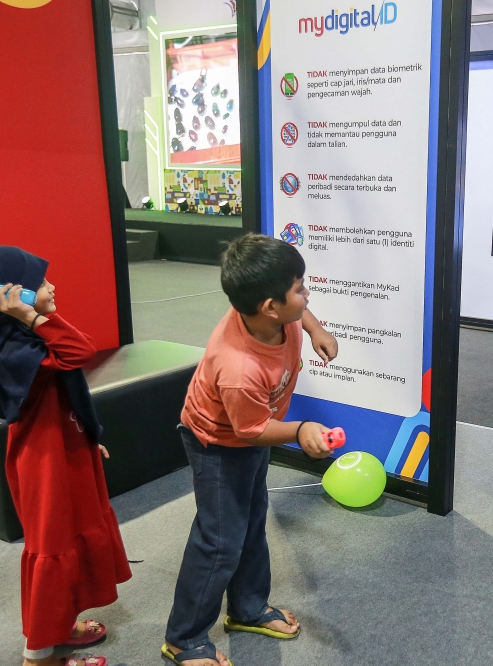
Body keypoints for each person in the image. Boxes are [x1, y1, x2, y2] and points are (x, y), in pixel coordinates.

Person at [162, 234, 340, 666]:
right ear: (269, 307)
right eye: (300, 289)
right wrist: (300, 429)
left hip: (248, 432)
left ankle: (246, 608)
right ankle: (184, 638)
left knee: (252, 519)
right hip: (218, 443)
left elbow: (297, 310)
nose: (306, 293)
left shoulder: (275, 312)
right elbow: (250, 429)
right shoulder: (238, 366)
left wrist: (315, 327)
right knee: (219, 539)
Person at [0, 247, 131, 666]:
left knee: (75, 536)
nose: (51, 287)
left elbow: (71, 381)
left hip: (67, 448)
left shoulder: (28, 333)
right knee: (52, 548)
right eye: (40, 283)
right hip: (44, 461)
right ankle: (38, 656)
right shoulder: (12, 344)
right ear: (10, 295)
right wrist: (33, 315)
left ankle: (62, 624)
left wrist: (88, 436)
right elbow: (79, 351)